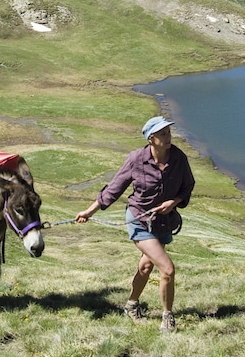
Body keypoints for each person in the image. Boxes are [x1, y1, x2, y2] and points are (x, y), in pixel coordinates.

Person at [76, 115, 195, 333]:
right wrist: (89, 211)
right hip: (139, 219)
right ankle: (167, 318)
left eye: (168, 132)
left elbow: (188, 186)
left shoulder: (179, 158)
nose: (168, 137)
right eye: (162, 134)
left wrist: (174, 202)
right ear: (151, 139)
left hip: (163, 222)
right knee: (167, 269)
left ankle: (131, 305)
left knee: (146, 265)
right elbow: (113, 189)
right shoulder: (136, 159)